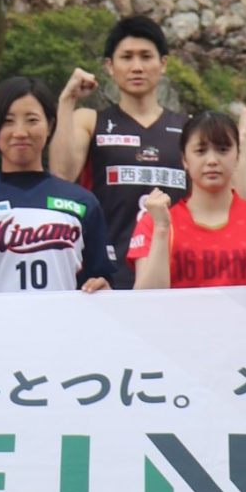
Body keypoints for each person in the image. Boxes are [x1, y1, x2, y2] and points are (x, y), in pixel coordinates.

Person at [0, 76, 116, 295]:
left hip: (59, 318)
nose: (20, 132)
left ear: (50, 125)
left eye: (32, 120)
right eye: (8, 121)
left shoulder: (82, 202)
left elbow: (102, 278)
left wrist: (102, 285)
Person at [48, 15, 194, 290]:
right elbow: (61, 174)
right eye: (126, 57)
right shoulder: (89, 120)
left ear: (163, 64)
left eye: (146, 56)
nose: (137, 67)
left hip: (176, 272)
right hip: (106, 278)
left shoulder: (188, 127)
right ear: (109, 66)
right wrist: (67, 100)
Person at [129, 111, 246, 290]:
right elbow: (145, 300)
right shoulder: (154, 223)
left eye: (223, 150)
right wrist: (162, 229)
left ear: (238, 156)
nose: (212, 160)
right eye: (201, 151)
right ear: (185, 159)